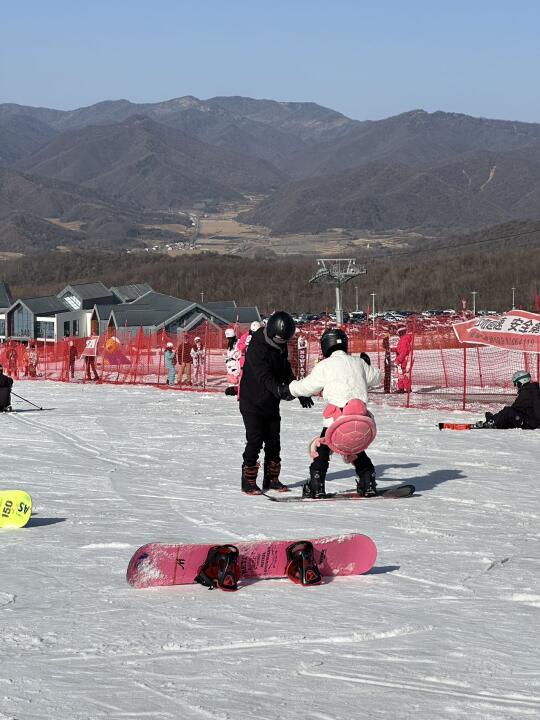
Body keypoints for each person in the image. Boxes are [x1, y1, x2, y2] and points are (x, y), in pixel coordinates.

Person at [284, 328, 381, 498]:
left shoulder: (325, 365)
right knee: (355, 446)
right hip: (362, 420)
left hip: (338, 421)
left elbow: (307, 386)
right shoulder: (358, 362)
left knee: (323, 449)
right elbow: (377, 378)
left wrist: (289, 389)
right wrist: (366, 364)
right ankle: (368, 480)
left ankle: (316, 483)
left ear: (324, 346)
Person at [239, 311, 312, 495]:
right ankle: (247, 480)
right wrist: (279, 390)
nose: (281, 344)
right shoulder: (257, 346)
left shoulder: (281, 346)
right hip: (252, 401)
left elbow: (284, 369)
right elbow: (263, 375)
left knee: (274, 441)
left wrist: (298, 390)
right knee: (255, 440)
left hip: (270, 402)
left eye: (284, 341)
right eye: (279, 340)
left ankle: (271, 479)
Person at [475, 371, 540, 429]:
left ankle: (491, 422)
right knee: (509, 414)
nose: (516, 386)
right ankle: (494, 420)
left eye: (516, 383)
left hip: (531, 423)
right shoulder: (533, 390)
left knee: (508, 411)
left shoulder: (526, 392)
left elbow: (515, 408)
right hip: (532, 420)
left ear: (521, 382)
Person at [393, 325, 413, 393]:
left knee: (404, 373)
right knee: (400, 372)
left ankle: (407, 389)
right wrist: (394, 349)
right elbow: (401, 349)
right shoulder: (403, 339)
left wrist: (398, 360)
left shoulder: (404, 339)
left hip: (404, 359)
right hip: (404, 358)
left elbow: (404, 351)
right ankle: (401, 388)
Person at [224, 328, 241, 396]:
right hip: (230, 364)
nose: (228, 340)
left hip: (236, 364)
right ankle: (232, 389)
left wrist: (236, 356)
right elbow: (230, 353)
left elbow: (240, 351)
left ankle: (237, 389)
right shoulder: (230, 345)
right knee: (231, 377)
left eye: (229, 338)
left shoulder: (239, 342)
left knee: (236, 377)